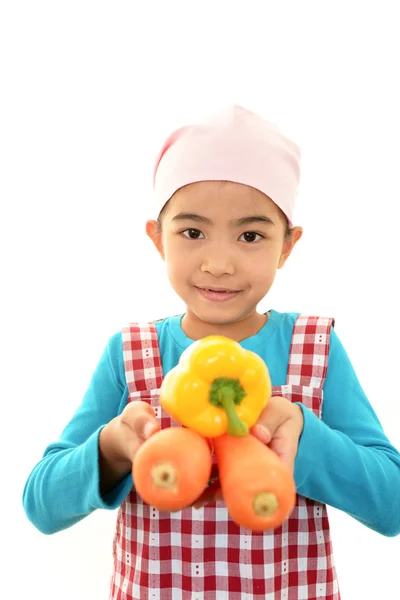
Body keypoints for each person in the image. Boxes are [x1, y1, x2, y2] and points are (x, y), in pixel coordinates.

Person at [23, 105, 400, 600]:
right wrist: (113, 447)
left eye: (250, 235)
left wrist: (305, 434)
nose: (219, 264)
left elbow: (391, 505)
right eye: (192, 232)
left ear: (287, 246)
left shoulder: (316, 346)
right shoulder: (131, 351)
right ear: (158, 239)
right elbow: (41, 505)